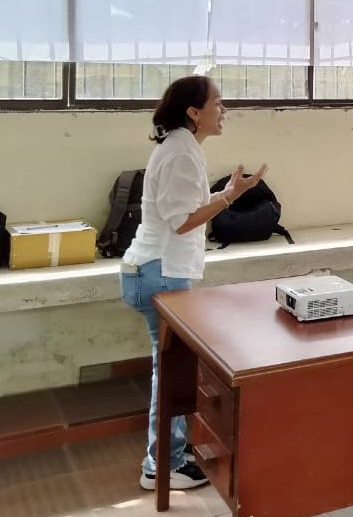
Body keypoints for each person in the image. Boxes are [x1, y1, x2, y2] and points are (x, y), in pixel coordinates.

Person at [119, 76, 267, 491]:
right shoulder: (182, 153)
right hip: (159, 271)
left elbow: (180, 214)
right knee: (171, 371)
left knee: (170, 368)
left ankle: (169, 457)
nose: (224, 112)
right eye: (217, 103)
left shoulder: (181, 148)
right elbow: (182, 222)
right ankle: (161, 465)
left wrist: (228, 193)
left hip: (154, 268)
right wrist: (228, 197)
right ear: (193, 112)